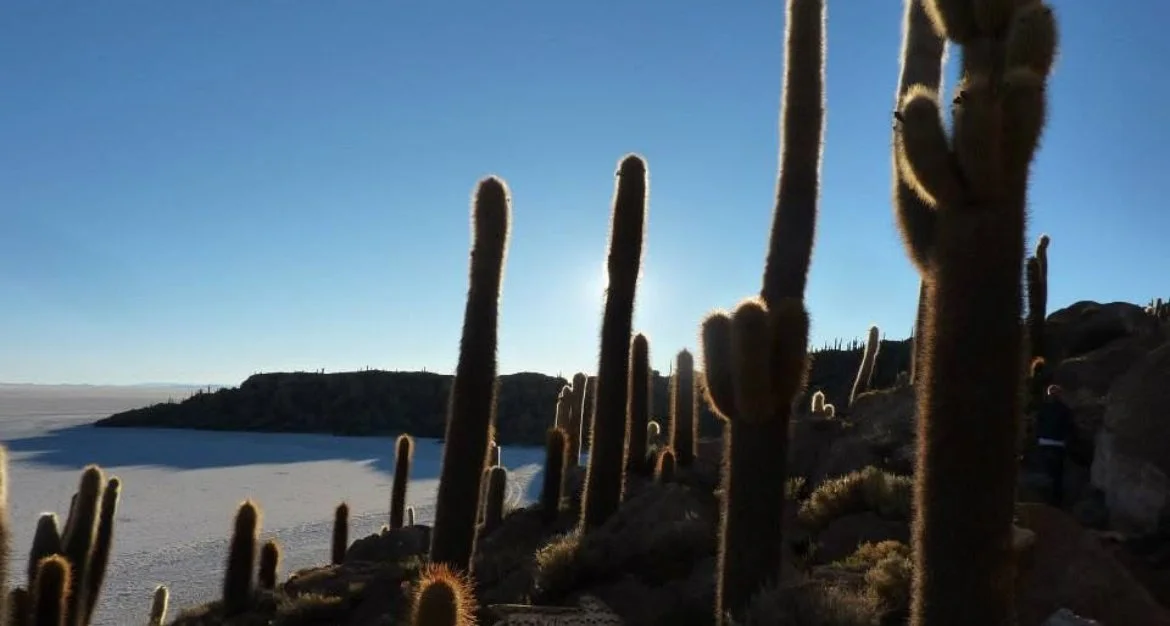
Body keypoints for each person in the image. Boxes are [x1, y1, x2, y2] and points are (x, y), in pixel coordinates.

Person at [1034, 384, 1075, 507]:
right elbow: (1069, 427)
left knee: (1045, 472)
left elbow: (1038, 425)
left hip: (1044, 442)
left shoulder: (1043, 408)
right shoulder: (1065, 409)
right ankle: (1055, 502)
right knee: (1057, 475)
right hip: (1058, 444)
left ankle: (1043, 501)